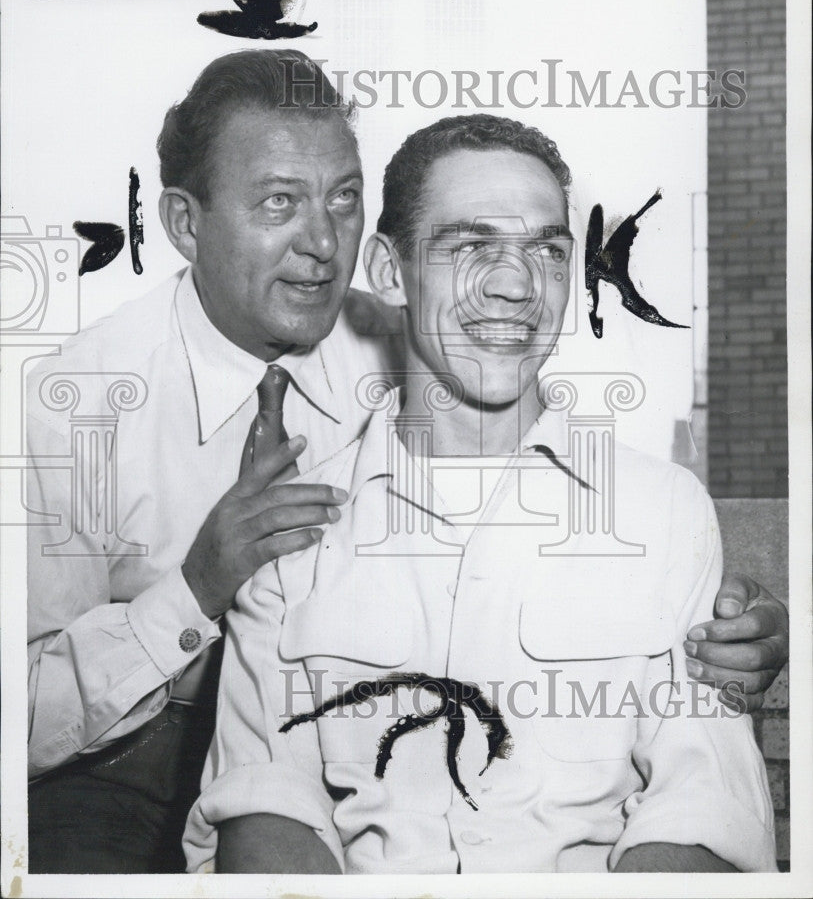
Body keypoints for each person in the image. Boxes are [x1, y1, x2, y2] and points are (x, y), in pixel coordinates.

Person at [26, 51, 786, 873]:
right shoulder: (77, 404)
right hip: (115, 761)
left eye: (343, 199)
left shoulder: (406, 332)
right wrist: (198, 586)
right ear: (184, 222)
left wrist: (737, 633)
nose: (323, 243)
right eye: (279, 202)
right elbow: (33, 716)